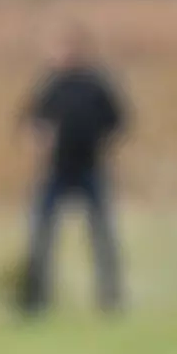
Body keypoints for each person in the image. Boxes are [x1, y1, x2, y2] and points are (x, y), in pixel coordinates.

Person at [19, 20, 128, 314]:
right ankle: (34, 300)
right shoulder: (50, 85)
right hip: (56, 170)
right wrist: (39, 139)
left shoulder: (96, 85)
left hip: (90, 168)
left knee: (102, 235)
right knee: (41, 234)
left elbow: (118, 121)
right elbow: (30, 120)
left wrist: (105, 144)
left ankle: (110, 299)